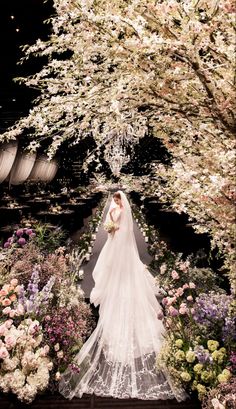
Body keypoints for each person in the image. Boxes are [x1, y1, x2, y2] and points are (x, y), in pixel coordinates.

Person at [59, 190, 187, 401]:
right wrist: (111, 229)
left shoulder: (121, 210)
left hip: (118, 241)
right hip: (115, 240)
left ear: (120, 200)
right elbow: (112, 226)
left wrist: (113, 229)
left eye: (116, 199)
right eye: (115, 199)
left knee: (116, 268)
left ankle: (118, 282)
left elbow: (119, 229)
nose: (115, 201)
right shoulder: (116, 209)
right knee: (110, 266)